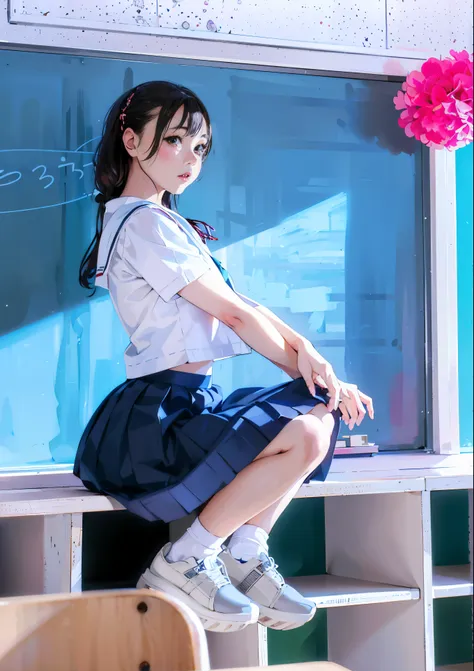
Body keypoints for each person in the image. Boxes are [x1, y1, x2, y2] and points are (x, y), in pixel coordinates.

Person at [75, 81, 374, 634]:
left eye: (201, 148)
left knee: (314, 421)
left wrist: (313, 361)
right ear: (132, 139)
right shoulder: (141, 222)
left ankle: (245, 551)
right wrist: (314, 373)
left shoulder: (164, 222)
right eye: (175, 140)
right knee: (308, 423)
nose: (191, 158)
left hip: (189, 401)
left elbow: (243, 305)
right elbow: (235, 315)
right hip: (157, 416)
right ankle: (185, 559)